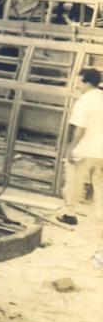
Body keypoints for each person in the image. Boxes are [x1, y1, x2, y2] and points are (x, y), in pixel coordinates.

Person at [58, 68, 103, 225]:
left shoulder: (84, 101)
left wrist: (71, 149)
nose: (77, 85)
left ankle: (69, 214)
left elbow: (80, 129)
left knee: (74, 181)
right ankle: (100, 218)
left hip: (85, 149)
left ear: (88, 83)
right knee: (99, 184)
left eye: (79, 81)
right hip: (101, 151)